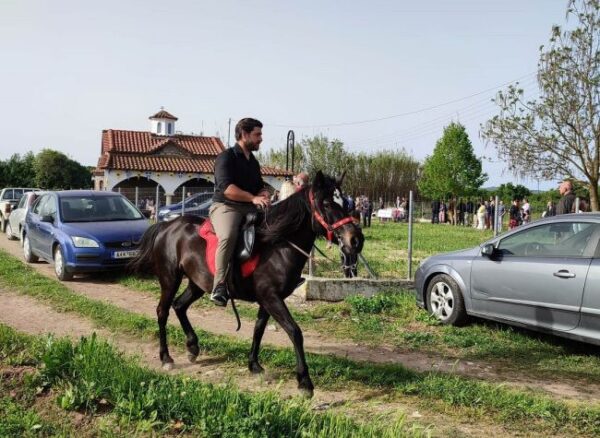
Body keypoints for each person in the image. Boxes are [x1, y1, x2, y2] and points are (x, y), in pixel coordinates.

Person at [209, 118, 271, 306]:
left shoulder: (253, 162)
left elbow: (259, 187)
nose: (261, 138)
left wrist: (264, 193)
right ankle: (219, 285)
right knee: (228, 236)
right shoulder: (225, 157)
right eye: (257, 134)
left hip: (249, 207)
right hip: (226, 207)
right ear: (244, 134)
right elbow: (227, 188)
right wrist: (253, 198)